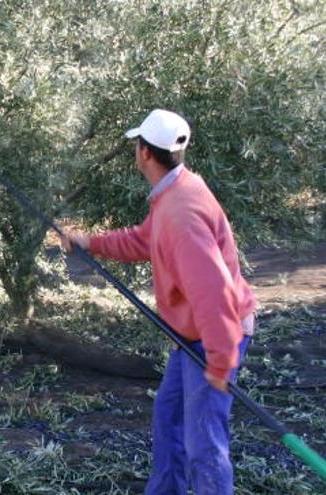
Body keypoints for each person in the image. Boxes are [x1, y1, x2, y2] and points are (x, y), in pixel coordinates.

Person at [60, 109, 257, 495]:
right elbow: (143, 240)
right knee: (169, 418)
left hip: (214, 337)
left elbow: (214, 293)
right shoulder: (174, 193)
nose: (135, 150)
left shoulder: (182, 212)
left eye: (137, 144)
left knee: (204, 445)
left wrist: (220, 361)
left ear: (145, 153)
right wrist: (91, 243)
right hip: (193, 338)